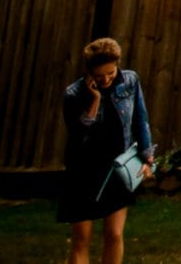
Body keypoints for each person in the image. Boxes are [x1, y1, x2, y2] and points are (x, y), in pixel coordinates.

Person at [59, 37, 153, 264]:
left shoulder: (130, 81)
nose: (106, 79)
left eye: (110, 73)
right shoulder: (74, 94)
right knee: (82, 241)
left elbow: (141, 120)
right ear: (89, 71)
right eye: (99, 76)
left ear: (117, 64)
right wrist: (95, 100)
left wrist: (147, 159)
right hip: (82, 172)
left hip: (116, 169)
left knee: (115, 234)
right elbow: (77, 136)